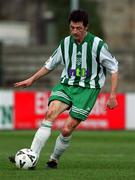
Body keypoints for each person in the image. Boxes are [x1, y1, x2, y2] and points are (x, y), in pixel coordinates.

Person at [9, 9, 118, 169]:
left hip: (87, 90)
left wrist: (113, 95)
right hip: (67, 85)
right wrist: (31, 79)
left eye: (78, 28)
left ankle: (53, 159)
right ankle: (32, 156)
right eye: (72, 27)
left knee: (67, 129)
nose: (75, 31)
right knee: (49, 114)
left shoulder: (97, 45)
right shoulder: (65, 43)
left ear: (86, 27)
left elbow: (114, 68)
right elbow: (49, 65)